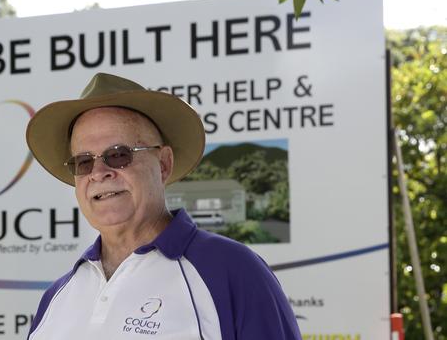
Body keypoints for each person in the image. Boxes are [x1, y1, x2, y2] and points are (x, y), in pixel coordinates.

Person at [25, 73, 302, 340]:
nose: (99, 172)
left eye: (119, 155)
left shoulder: (234, 272)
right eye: (84, 161)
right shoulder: (57, 297)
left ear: (163, 164)